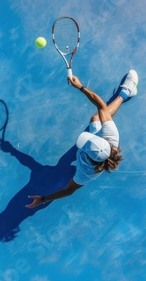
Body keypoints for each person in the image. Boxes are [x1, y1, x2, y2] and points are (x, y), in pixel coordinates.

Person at [25, 70, 139, 208]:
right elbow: (101, 106)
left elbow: (68, 190)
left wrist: (43, 199)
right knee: (96, 117)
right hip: (103, 139)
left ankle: (126, 92)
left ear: (87, 154)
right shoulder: (111, 136)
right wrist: (80, 87)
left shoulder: (85, 173)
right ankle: (126, 92)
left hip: (84, 164)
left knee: (64, 162)